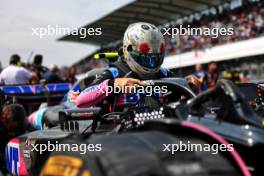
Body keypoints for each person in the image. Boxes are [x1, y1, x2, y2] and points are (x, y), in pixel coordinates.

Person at [75, 22, 200, 111]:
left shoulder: (163, 72)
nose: (151, 64)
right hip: (123, 135)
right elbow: (80, 100)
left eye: (155, 58)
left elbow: (187, 94)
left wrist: (189, 82)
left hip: (162, 130)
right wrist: (113, 84)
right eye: (145, 58)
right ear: (129, 50)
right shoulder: (115, 72)